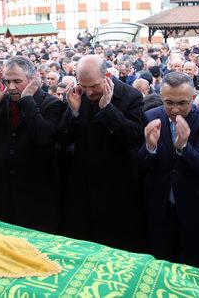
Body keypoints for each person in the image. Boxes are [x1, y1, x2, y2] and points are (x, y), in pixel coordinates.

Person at [59, 55, 147, 252]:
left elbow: (134, 138)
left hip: (118, 188)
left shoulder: (130, 96)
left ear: (106, 76)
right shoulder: (77, 95)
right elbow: (64, 139)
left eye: (94, 86)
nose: (89, 92)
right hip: (84, 187)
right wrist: (74, 112)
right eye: (84, 86)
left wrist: (107, 109)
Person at [0, 56, 64, 233]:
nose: (12, 87)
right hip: (4, 195)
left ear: (33, 79)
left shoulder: (52, 104)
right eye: (7, 81)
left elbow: (44, 137)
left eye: (17, 81)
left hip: (37, 196)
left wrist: (27, 100)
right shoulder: (2, 102)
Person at [140, 73, 199, 269]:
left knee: (194, 269)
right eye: (169, 103)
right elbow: (139, 165)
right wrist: (150, 147)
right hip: (160, 209)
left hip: (194, 209)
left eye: (182, 103)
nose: (175, 109)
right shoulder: (150, 116)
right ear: (161, 97)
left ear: (193, 97)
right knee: (160, 267)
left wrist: (184, 146)